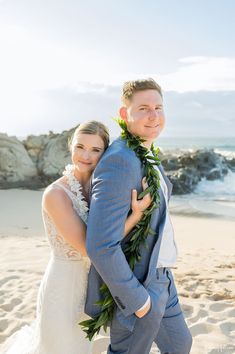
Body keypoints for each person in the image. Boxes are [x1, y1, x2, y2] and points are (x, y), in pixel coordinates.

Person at [1, 121, 151, 354]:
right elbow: (90, 247)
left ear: (105, 153)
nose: (86, 156)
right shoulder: (56, 195)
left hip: (92, 285)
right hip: (63, 288)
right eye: (80, 147)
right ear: (70, 146)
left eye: (95, 150)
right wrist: (136, 215)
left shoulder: (102, 190)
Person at [85, 79, 193, 354]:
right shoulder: (120, 160)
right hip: (140, 282)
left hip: (163, 277)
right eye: (143, 108)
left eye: (158, 107)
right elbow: (100, 245)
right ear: (125, 114)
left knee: (180, 345)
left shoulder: (146, 153)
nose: (153, 115)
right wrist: (138, 300)